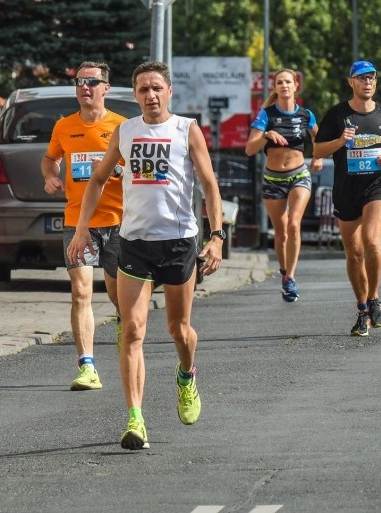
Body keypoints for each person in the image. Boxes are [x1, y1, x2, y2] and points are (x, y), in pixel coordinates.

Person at [67, 60, 224, 450]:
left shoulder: (186, 130)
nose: (150, 96)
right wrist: (82, 227)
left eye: (156, 88)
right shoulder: (125, 131)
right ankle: (135, 419)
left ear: (169, 91)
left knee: (179, 331)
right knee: (132, 331)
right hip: (134, 242)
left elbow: (208, 183)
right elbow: (99, 179)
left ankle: (186, 376)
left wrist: (218, 235)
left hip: (178, 242)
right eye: (142, 90)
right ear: (134, 95)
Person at [41, 61, 126, 391]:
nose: (85, 87)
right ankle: (87, 365)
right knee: (81, 292)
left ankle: (123, 327)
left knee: (120, 297)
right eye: (79, 82)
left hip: (118, 222)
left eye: (93, 82)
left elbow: (137, 169)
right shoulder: (64, 126)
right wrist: (50, 175)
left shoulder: (122, 126)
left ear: (106, 88)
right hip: (78, 222)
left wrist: (112, 170)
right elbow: (50, 158)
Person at [314, 60, 381, 336]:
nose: (368, 82)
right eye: (362, 78)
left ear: (376, 82)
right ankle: (362, 308)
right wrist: (341, 141)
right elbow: (318, 150)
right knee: (354, 253)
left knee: (371, 242)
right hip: (346, 189)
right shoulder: (337, 115)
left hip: (377, 185)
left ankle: (375, 298)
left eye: (372, 78)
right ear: (351, 82)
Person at [245, 68, 322, 302]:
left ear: (295, 86)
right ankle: (283, 270)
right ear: (275, 88)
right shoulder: (266, 115)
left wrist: (317, 157)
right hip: (273, 178)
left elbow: (319, 138)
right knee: (280, 230)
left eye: (288, 82)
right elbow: (249, 149)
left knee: (293, 226)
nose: (284, 85)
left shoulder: (306, 114)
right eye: (280, 82)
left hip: (299, 174)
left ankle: (290, 277)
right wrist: (267, 135)